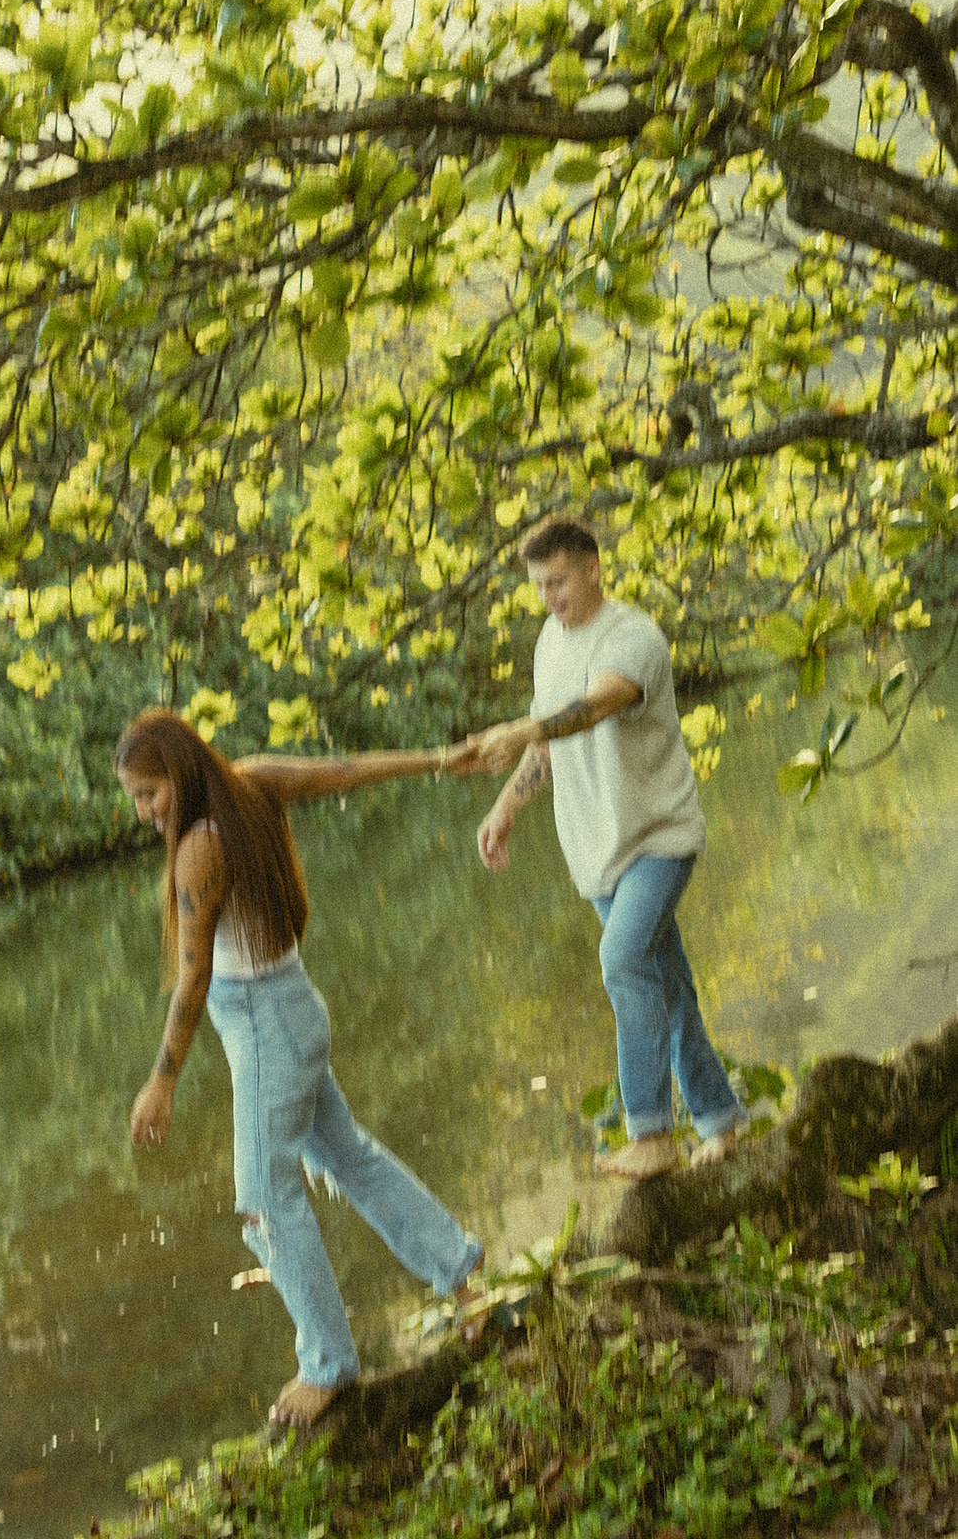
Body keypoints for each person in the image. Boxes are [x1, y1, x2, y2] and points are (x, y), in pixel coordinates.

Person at [114, 710, 484, 1428]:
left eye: (148, 792)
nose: (142, 812)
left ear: (180, 775)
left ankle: (328, 1364)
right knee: (351, 1159)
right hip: (292, 1009)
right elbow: (343, 770)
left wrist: (162, 1082)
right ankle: (464, 1274)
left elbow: (192, 982)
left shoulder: (199, 847)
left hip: (265, 1026)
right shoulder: (251, 785)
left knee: (261, 1199)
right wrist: (438, 756)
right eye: (134, 797)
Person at [473, 517, 743, 1182]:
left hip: (658, 839)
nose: (547, 597)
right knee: (666, 990)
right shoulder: (548, 643)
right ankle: (721, 1121)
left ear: (592, 567)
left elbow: (594, 706)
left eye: (556, 581)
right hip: (596, 856)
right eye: (537, 585)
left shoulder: (633, 638)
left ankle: (649, 1134)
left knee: (622, 960)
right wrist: (506, 805)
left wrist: (522, 726)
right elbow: (549, 743)